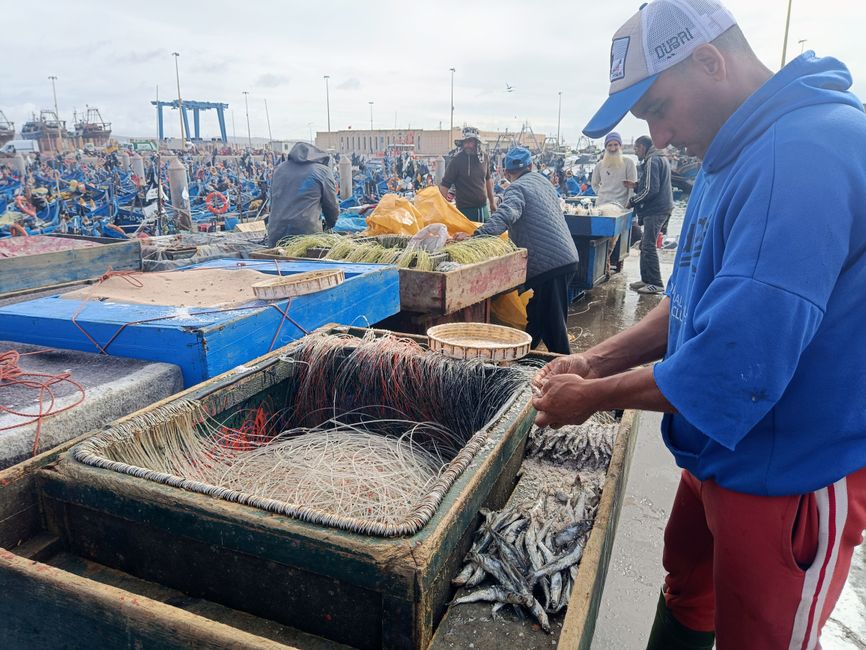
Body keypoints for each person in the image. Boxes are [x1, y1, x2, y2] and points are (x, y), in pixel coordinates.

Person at [533, 0, 866, 648]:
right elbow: (686, 303)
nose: (656, 139)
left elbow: (731, 361)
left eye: (657, 109)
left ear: (710, 62)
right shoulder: (728, 152)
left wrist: (594, 398)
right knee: (690, 588)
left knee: (761, 637)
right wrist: (595, 362)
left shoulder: (806, 155)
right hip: (719, 446)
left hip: (788, 471)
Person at [459, 147, 579, 354]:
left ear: (506, 174)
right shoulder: (543, 182)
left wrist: (476, 238)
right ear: (531, 166)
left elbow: (506, 215)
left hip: (549, 267)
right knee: (536, 320)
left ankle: (570, 375)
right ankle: (521, 360)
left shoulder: (517, 188)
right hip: (566, 258)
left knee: (554, 331)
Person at [267, 142, 339, 247]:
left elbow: (273, 203)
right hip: (307, 236)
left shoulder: (279, 169)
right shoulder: (322, 171)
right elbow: (331, 207)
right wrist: (330, 225)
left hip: (276, 234)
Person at [628, 135, 673, 294]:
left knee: (648, 245)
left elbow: (650, 190)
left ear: (643, 147)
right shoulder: (660, 159)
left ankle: (656, 282)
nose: (635, 152)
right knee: (645, 244)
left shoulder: (652, 160)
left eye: (636, 148)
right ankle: (646, 279)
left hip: (656, 210)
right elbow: (650, 184)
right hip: (661, 208)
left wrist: (632, 201)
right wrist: (636, 185)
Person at [439, 126, 496, 222]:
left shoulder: (484, 158)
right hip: (464, 211)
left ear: (476, 142)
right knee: (465, 236)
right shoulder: (457, 160)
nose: (467, 145)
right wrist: (444, 209)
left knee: (485, 236)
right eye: (465, 142)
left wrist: (492, 203)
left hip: (483, 209)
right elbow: (445, 185)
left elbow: (488, 180)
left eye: (470, 142)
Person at [590, 131, 637, 208]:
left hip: (621, 207)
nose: (612, 148)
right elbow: (594, 184)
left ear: (620, 146)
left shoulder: (629, 163)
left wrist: (629, 205)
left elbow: (632, 188)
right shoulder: (599, 165)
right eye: (609, 145)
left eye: (616, 145)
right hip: (601, 206)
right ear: (605, 147)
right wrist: (601, 194)